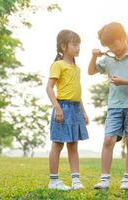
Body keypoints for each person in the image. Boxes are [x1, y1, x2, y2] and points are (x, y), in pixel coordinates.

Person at [88, 22, 128, 190]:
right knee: (108, 140)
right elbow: (91, 71)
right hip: (114, 106)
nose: (112, 48)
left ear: (123, 38)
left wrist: (123, 82)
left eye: (113, 44)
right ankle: (104, 179)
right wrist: (94, 56)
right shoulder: (108, 58)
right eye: (108, 46)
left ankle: (127, 179)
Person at [46, 30, 89, 190]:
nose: (78, 47)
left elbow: (78, 92)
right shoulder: (58, 65)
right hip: (62, 108)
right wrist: (57, 107)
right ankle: (54, 181)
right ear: (63, 46)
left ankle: (76, 180)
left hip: (75, 108)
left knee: (73, 145)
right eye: (74, 44)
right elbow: (49, 88)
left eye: (79, 44)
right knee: (57, 144)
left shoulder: (77, 68)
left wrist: (83, 111)